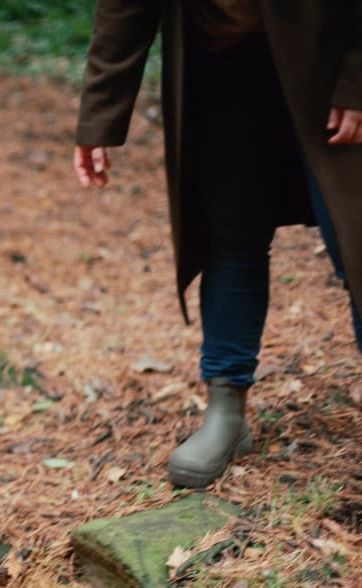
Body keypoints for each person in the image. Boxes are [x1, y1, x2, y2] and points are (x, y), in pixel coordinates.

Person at [74, 2, 362, 488]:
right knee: (231, 236)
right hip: (224, 66)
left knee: (356, 245)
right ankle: (226, 408)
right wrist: (99, 117)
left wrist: (357, 80)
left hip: (328, 61)